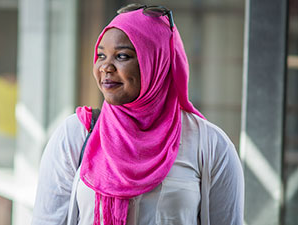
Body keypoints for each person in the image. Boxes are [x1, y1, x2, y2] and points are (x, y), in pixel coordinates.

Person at [32, 3, 244, 225]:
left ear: (157, 62)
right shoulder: (76, 134)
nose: (105, 67)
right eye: (101, 55)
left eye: (122, 56)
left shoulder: (209, 144)